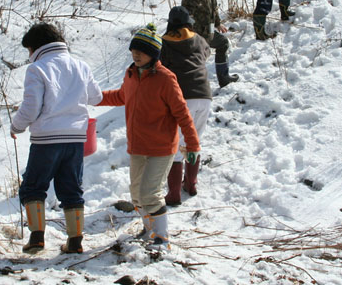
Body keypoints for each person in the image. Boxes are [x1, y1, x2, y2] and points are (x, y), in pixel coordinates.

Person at [98, 24, 200, 248]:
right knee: (136, 194)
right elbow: (121, 96)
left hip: (161, 148)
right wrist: (95, 97)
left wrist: (192, 145)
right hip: (137, 147)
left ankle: (162, 238)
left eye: (142, 51)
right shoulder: (132, 74)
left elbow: (182, 113)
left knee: (149, 194)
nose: (136, 54)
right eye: (134, 50)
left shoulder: (166, 79)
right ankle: (149, 229)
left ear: (153, 55)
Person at [10, 23, 102, 254]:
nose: (29, 56)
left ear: (36, 47)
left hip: (46, 140)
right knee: (71, 188)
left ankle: (37, 238)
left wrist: (16, 126)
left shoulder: (37, 69)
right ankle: (75, 241)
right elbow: (96, 97)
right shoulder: (81, 65)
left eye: (29, 50)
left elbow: (31, 107)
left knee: (33, 187)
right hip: (75, 139)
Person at [160, 6, 211, 206]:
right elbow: (206, 53)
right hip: (204, 95)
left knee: (176, 145)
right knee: (193, 141)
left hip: (181, 97)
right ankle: (191, 184)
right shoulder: (198, 39)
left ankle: (173, 194)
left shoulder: (164, 42)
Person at [181, 0, 239, 87]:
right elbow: (186, 14)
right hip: (196, 34)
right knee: (195, 62)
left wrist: (217, 23)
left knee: (223, 43)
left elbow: (212, 5)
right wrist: (191, 36)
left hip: (208, 30)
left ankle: (224, 79)